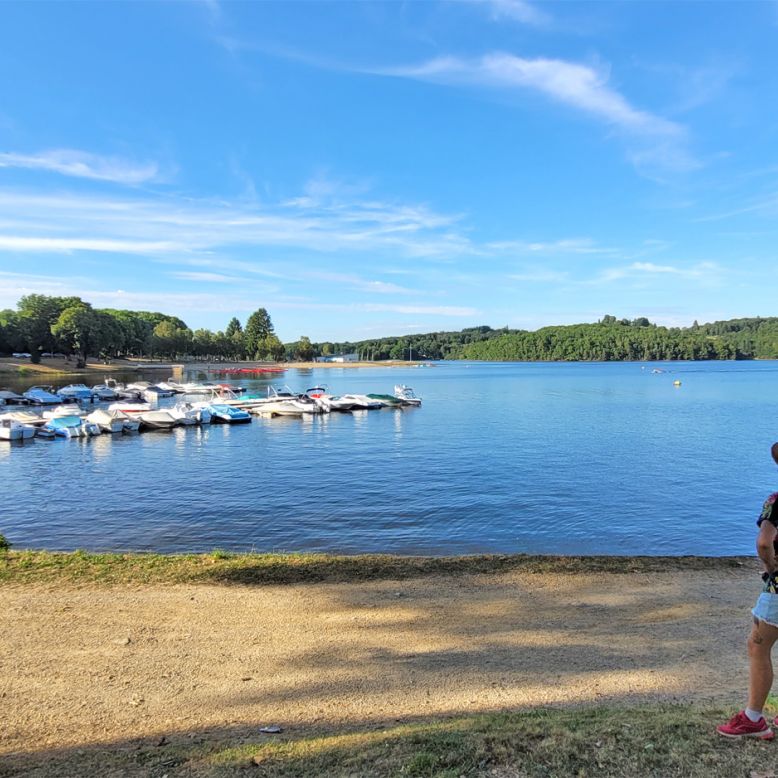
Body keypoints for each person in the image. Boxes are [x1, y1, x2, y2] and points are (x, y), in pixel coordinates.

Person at [717, 442, 778, 740]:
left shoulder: (776, 501)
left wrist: (771, 568)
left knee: (758, 646)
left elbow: (764, 542)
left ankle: (753, 718)